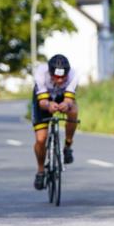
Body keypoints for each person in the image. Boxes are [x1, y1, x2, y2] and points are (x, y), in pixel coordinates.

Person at [31, 54, 79, 190]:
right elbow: (42, 102)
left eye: (63, 77)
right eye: (56, 77)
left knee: (73, 110)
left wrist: (66, 104)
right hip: (44, 99)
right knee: (41, 139)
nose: (59, 80)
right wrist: (48, 105)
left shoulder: (73, 75)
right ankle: (40, 171)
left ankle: (68, 145)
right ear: (49, 72)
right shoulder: (41, 73)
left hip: (61, 96)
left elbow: (69, 99)